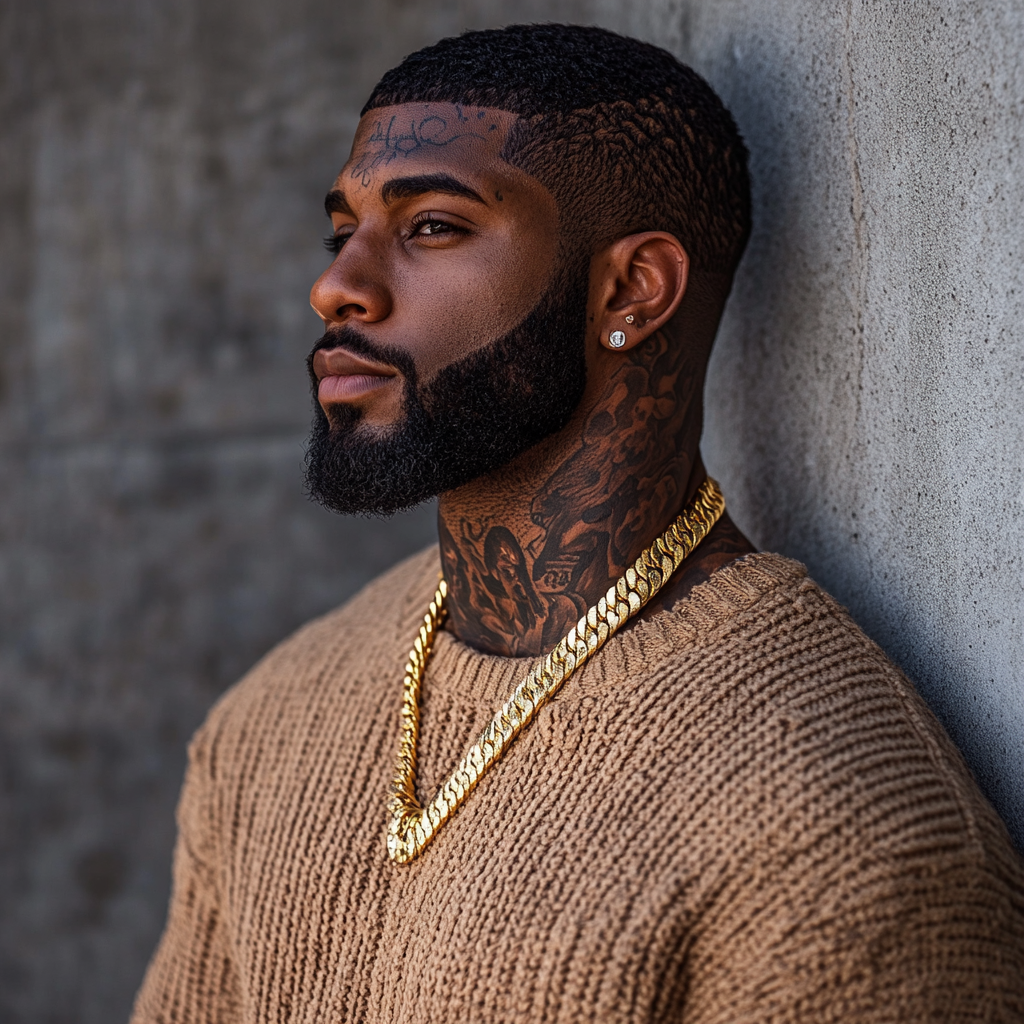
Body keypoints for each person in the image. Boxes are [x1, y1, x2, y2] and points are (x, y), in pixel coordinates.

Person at [132, 24, 1024, 1023]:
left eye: (430, 225)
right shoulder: (272, 718)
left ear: (631, 289)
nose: (337, 284)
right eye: (344, 228)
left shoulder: (835, 833)